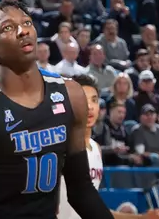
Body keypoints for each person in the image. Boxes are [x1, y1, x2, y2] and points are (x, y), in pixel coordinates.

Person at [0, 3, 120, 219]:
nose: (23, 30)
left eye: (27, 23)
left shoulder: (71, 94)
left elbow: (81, 189)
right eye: (8, 27)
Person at [58, 77, 103, 219]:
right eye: (84, 99)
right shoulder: (58, 147)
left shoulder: (96, 148)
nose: (89, 106)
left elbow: (94, 209)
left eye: (94, 100)